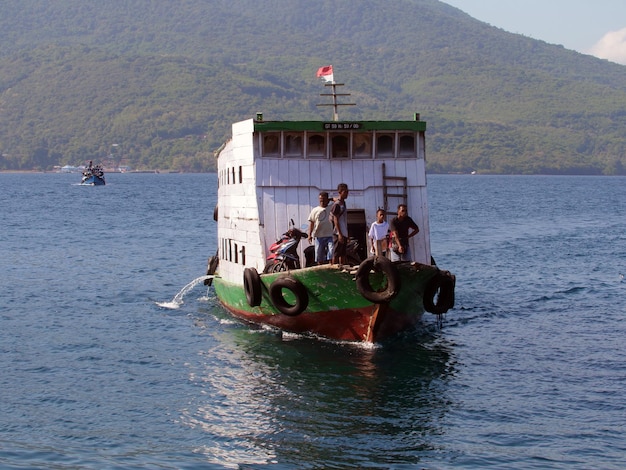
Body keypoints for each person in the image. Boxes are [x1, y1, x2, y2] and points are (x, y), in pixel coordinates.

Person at [307, 191, 333, 264]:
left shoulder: (331, 207)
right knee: (319, 255)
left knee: (331, 252)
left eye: (324, 200)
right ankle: (320, 269)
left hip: (329, 235)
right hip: (319, 236)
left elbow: (338, 200)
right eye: (320, 200)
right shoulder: (315, 210)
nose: (322, 201)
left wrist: (330, 199)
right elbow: (312, 223)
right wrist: (309, 235)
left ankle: (331, 267)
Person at [330, 183, 349, 264]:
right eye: (345, 192)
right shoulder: (337, 205)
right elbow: (336, 219)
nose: (347, 194)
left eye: (347, 192)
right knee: (336, 253)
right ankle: (334, 271)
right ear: (340, 192)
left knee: (343, 253)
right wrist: (340, 234)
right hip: (338, 233)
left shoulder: (342, 203)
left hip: (344, 232)